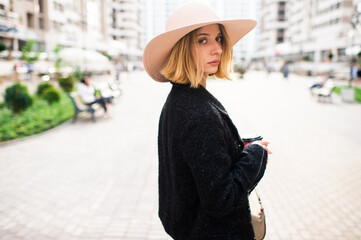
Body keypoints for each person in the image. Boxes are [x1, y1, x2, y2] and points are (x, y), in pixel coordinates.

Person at [143, 2, 271, 240]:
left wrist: (239, 148)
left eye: (219, 38)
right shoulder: (198, 112)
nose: (217, 49)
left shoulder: (179, 99)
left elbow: (199, 160)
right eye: (203, 40)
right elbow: (222, 200)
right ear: (182, 49)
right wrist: (255, 156)